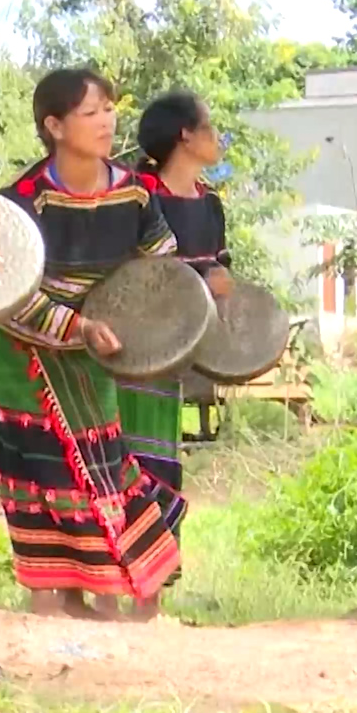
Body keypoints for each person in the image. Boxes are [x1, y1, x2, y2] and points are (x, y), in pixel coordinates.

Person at [0, 68, 185, 621]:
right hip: (22, 347)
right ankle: (54, 597)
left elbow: (160, 266)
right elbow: (5, 293)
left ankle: (109, 597)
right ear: (55, 126)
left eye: (109, 109)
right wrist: (75, 328)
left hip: (93, 345)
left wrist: (142, 323)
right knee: (43, 467)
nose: (106, 121)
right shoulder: (24, 200)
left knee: (103, 462)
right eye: (91, 112)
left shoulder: (134, 191)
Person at [123, 89, 233, 612]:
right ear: (185, 135)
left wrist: (221, 279)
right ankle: (110, 593)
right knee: (123, 462)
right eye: (209, 125)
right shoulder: (138, 194)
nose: (216, 136)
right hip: (131, 349)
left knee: (161, 463)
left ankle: (150, 603)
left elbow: (219, 264)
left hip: (177, 355)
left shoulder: (210, 201)